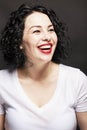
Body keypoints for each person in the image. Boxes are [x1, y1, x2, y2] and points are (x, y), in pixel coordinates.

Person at [0, 4, 87, 130]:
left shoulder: (77, 80)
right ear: (19, 41)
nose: (47, 37)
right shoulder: (2, 82)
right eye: (36, 31)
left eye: (51, 30)